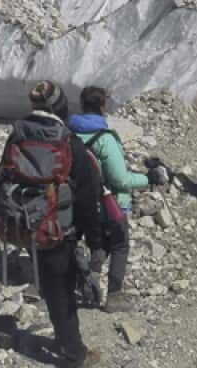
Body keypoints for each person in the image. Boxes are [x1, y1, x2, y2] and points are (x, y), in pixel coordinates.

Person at [0, 81, 103, 367]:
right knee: (63, 289)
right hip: (60, 229)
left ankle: (65, 338)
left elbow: (3, 178)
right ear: (61, 107)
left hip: (26, 223)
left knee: (50, 283)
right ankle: (74, 352)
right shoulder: (69, 143)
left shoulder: (17, 136)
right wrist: (95, 242)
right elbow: (88, 197)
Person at [69, 86, 156, 314]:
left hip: (78, 203)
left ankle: (88, 284)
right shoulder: (104, 139)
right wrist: (148, 179)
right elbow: (120, 179)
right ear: (102, 106)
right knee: (119, 245)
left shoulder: (69, 135)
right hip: (108, 204)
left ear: (82, 105)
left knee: (98, 243)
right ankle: (114, 296)